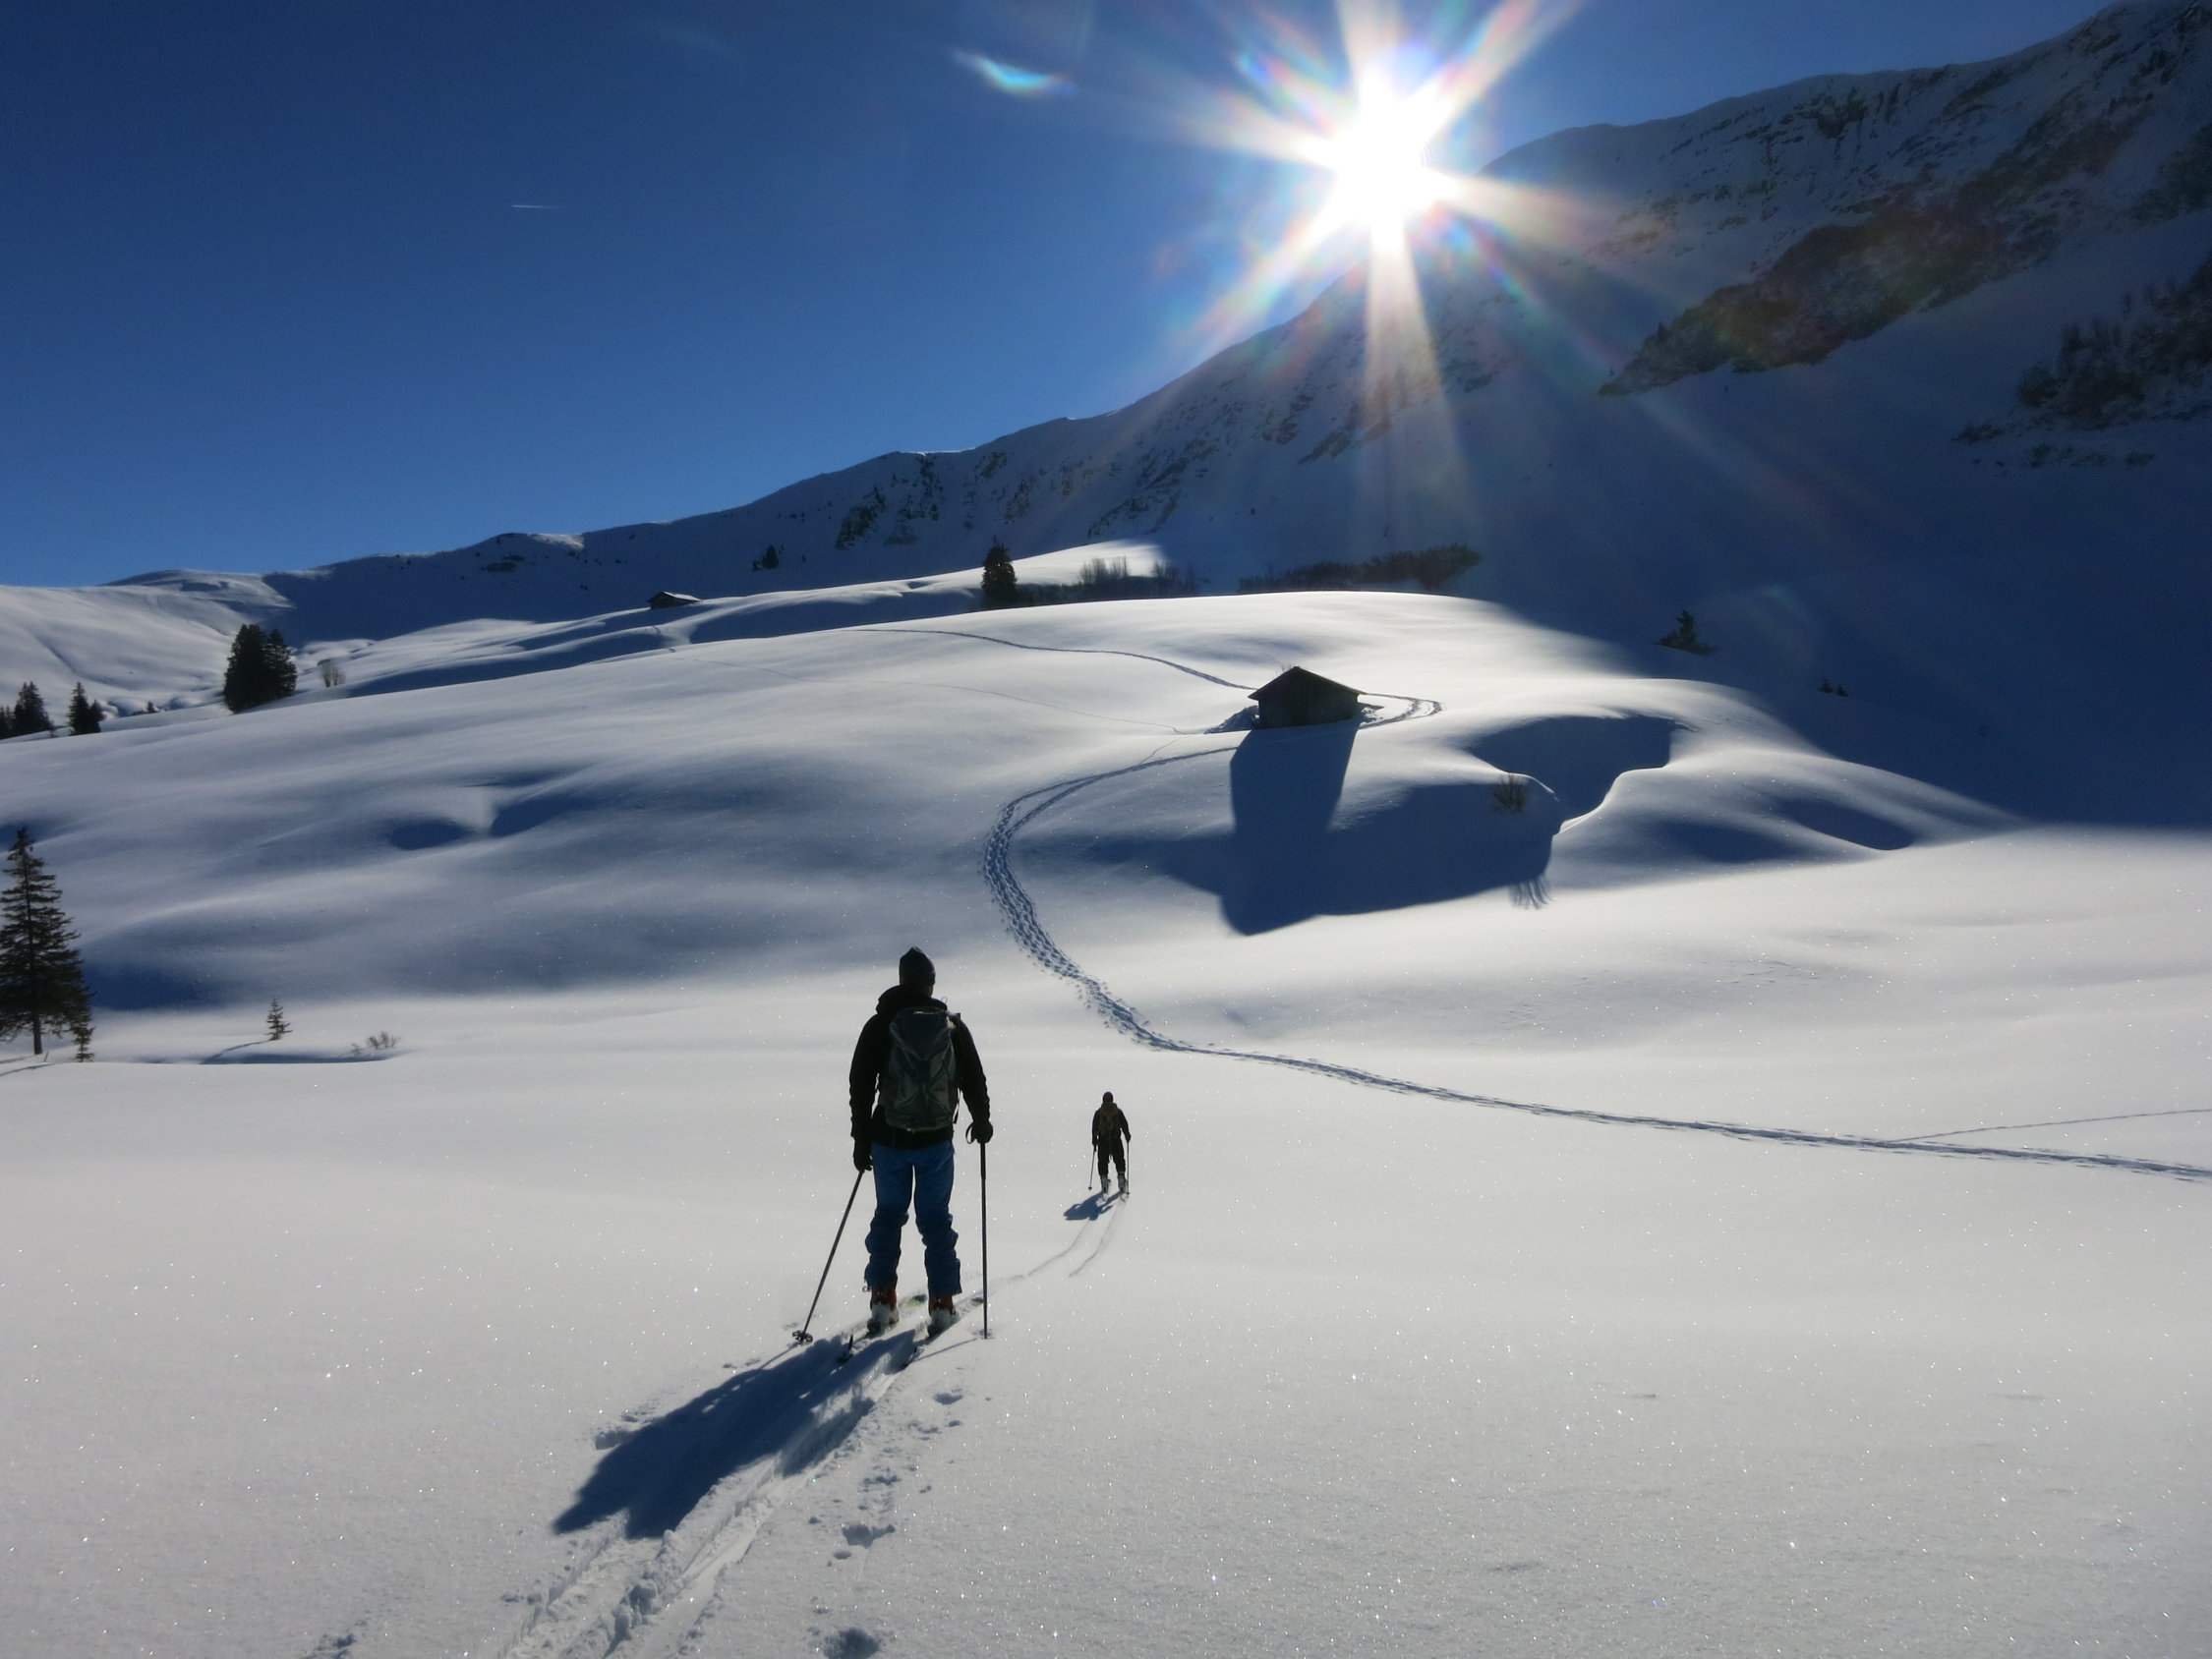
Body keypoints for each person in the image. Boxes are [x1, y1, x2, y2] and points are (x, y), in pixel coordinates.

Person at [848, 947, 991, 1337]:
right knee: (935, 1219)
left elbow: (861, 1084)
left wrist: (861, 1138)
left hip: (888, 1140)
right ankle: (942, 1304)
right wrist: (981, 1121)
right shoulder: (951, 1026)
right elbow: (973, 1077)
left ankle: (882, 1299)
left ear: (901, 981)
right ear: (930, 984)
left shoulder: (880, 1025)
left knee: (888, 1214)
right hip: (936, 1141)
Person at [1091, 1091, 1131, 1196]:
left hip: (1103, 1141)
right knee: (1119, 1160)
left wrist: (1094, 1140)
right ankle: (1121, 1180)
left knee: (1102, 1161)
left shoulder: (1099, 1113)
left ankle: (1104, 1181)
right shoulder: (1117, 1112)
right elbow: (1124, 1124)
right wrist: (1127, 1135)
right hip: (1116, 1140)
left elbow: (1094, 1127)